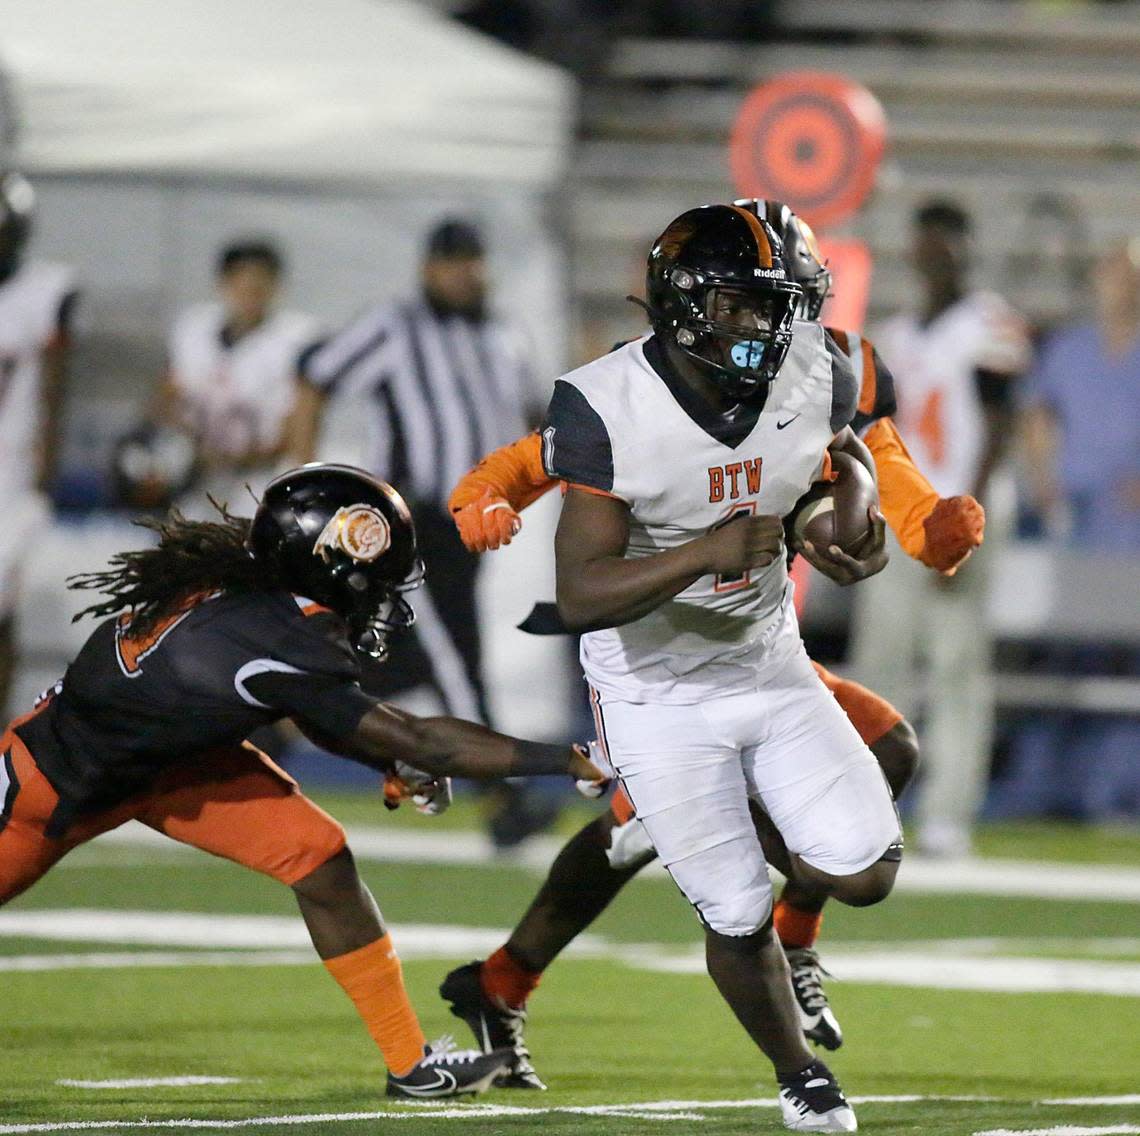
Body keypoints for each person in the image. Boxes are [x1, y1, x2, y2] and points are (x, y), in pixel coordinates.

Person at [440, 201, 985, 1091]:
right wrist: (489, 490)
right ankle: (506, 979)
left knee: (882, 751)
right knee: (645, 830)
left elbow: (838, 447)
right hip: (651, 664)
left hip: (754, 649)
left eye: (786, 308)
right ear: (692, 304)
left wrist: (861, 524)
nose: (772, 330)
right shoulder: (621, 403)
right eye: (747, 307)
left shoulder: (816, 369)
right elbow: (551, 461)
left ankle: (518, 978)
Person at [0, 463, 605, 1099]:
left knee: (320, 858)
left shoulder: (255, 593)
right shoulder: (273, 633)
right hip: (56, 784)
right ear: (325, 561)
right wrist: (565, 761)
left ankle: (411, 1066)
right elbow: (420, 738)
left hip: (175, 763)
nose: (382, 591)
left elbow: (305, 704)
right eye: (377, 573)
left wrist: (386, 765)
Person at [292, 218, 551, 846]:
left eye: (474, 260)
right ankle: (502, 799)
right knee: (458, 661)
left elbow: (531, 415)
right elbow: (315, 373)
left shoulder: (504, 334)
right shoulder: (393, 326)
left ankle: (285, 708)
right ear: (428, 268)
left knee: (408, 661)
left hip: (474, 524)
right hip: (415, 517)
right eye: (453, 261)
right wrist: (301, 481)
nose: (466, 273)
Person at [850, 199, 1030, 859]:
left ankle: (949, 815)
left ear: (964, 247)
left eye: (946, 241)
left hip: (958, 506)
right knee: (882, 663)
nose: (935, 254)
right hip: (902, 511)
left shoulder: (989, 324)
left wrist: (964, 518)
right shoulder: (898, 335)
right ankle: (874, 807)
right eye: (927, 241)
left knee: (956, 662)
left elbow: (1000, 425)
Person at [993, 238, 1140, 818]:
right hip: (1074, 518)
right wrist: (1044, 479)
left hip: (1128, 522)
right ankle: (1042, 786)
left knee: (1124, 658)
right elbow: (1037, 413)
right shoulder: (1073, 348)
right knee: (1059, 656)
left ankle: (1112, 791)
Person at [150, 239, 321, 514]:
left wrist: (236, 458)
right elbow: (167, 399)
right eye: (243, 286)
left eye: (260, 287)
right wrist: (178, 451)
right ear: (223, 284)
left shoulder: (295, 339)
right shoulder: (194, 328)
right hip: (197, 476)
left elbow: (300, 424)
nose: (251, 296)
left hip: (262, 480)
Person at [0, 171, 79, 714]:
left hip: (10, 470)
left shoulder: (45, 290)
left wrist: (44, 466)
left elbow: (55, 382)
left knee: (2, 612)